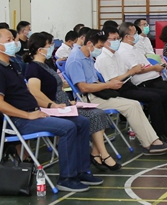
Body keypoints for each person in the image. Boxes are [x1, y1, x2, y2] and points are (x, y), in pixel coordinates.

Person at [0, 26, 99, 193]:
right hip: (19, 120)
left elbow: (29, 94)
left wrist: (51, 106)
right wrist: (28, 115)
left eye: (13, 39)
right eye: (9, 40)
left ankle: (82, 171)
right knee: (68, 128)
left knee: (81, 121)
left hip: (35, 112)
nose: (14, 43)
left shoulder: (12, 66)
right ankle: (67, 178)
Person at [64, 30, 167, 156]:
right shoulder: (76, 60)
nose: (100, 50)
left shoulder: (87, 56)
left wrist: (106, 87)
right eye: (99, 47)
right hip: (88, 99)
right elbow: (83, 88)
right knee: (132, 105)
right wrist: (108, 85)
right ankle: (150, 143)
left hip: (98, 93)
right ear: (89, 43)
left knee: (135, 104)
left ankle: (153, 141)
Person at [24, 32, 123, 171]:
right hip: (52, 107)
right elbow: (35, 92)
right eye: (50, 45)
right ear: (40, 49)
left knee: (99, 113)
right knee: (93, 116)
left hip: (63, 104)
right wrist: (52, 105)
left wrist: (68, 102)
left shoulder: (46, 65)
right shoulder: (33, 68)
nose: (52, 47)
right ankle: (103, 155)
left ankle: (96, 154)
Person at [111, 22, 167, 135]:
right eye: (135, 33)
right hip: (144, 82)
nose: (137, 35)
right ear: (127, 36)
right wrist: (154, 68)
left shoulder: (134, 48)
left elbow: (145, 64)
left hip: (154, 77)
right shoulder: (124, 51)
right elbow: (137, 69)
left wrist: (157, 67)